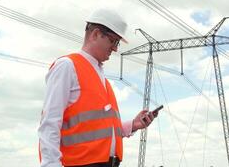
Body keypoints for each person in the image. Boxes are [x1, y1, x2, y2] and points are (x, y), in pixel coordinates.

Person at [38, 9, 157, 167]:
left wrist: (133, 125)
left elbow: (99, 132)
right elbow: (50, 124)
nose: (115, 48)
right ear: (95, 34)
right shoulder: (67, 66)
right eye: (113, 41)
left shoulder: (102, 80)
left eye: (117, 43)